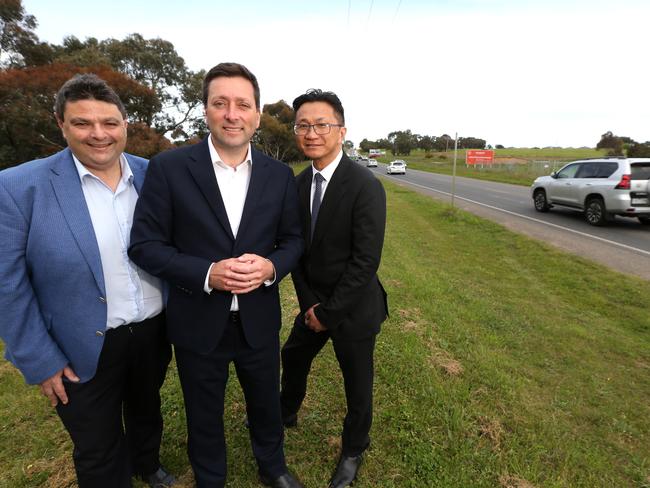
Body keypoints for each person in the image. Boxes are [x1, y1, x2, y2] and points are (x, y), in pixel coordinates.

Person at [128, 62, 304, 488]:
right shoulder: (168, 169)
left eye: (243, 104)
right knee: (202, 410)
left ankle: (273, 467)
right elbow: (145, 246)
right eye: (220, 102)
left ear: (257, 115)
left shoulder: (279, 176)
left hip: (258, 318)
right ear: (205, 109)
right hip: (197, 320)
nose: (232, 113)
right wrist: (207, 273)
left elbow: (294, 240)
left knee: (265, 401)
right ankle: (211, 477)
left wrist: (271, 267)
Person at [0, 74, 175, 488]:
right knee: (97, 444)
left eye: (110, 123)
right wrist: (40, 359)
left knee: (147, 408)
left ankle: (146, 463)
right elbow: (7, 285)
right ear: (61, 124)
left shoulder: (155, 176)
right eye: (82, 123)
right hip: (79, 343)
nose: (99, 134)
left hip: (153, 329)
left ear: (125, 125)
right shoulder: (18, 187)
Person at [280, 89, 388, 488]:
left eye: (322, 124)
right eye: (303, 125)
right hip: (313, 304)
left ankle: (354, 448)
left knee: (357, 383)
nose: (312, 133)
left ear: (341, 130)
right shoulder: (297, 183)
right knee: (292, 356)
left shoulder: (364, 186)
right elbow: (295, 249)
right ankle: (285, 413)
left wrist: (328, 313)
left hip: (354, 308)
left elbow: (365, 262)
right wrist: (310, 304)